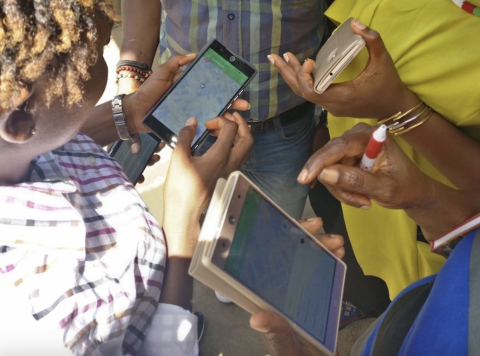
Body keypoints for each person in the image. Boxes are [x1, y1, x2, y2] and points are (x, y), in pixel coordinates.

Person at [0, 1, 342, 354]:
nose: (106, 60)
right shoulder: (35, 307)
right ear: (21, 119)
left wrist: (129, 113)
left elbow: (50, 142)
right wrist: (182, 224)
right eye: (101, 52)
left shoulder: (22, 145)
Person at [268, 3, 480, 313]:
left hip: (438, 229)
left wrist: (395, 107)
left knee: (415, 308)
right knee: (364, 275)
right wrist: (326, 121)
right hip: (362, 189)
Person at [250, 121, 480, 356]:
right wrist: (422, 197)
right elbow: (468, 256)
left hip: (402, 311)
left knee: (366, 282)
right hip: (408, 309)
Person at [117, 0, 330, 219]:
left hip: (287, 133)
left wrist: (327, 117)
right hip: (192, 121)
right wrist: (131, 83)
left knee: (272, 241)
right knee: (203, 239)